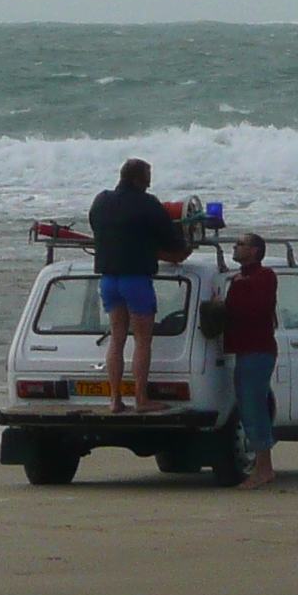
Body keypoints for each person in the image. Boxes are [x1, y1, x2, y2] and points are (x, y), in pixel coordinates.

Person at [87, 159, 188, 413]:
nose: (150, 183)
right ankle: (141, 399)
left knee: (117, 339)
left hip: (108, 279)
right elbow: (173, 241)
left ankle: (114, 399)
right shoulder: (147, 203)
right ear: (138, 179)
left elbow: (97, 229)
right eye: (147, 178)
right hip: (136, 280)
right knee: (142, 341)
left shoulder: (101, 201)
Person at [222, 233, 281, 489]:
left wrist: (236, 290)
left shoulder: (264, 276)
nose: (235, 247)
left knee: (254, 406)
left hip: (259, 350)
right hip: (244, 350)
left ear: (254, 251)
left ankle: (264, 468)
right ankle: (262, 466)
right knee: (249, 406)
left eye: (241, 244)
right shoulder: (238, 279)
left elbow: (258, 307)